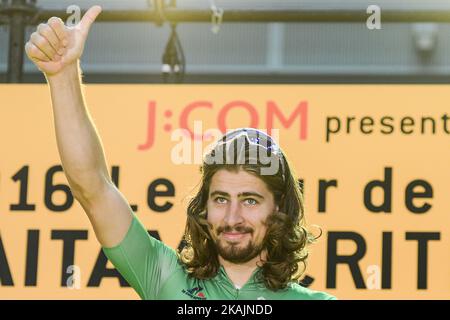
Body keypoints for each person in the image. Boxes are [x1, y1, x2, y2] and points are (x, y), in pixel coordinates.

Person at [25, 5, 336, 300]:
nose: (232, 217)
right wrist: (63, 75)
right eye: (220, 199)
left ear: (279, 208)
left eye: (250, 200)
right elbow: (92, 187)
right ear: (204, 206)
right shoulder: (165, 277)